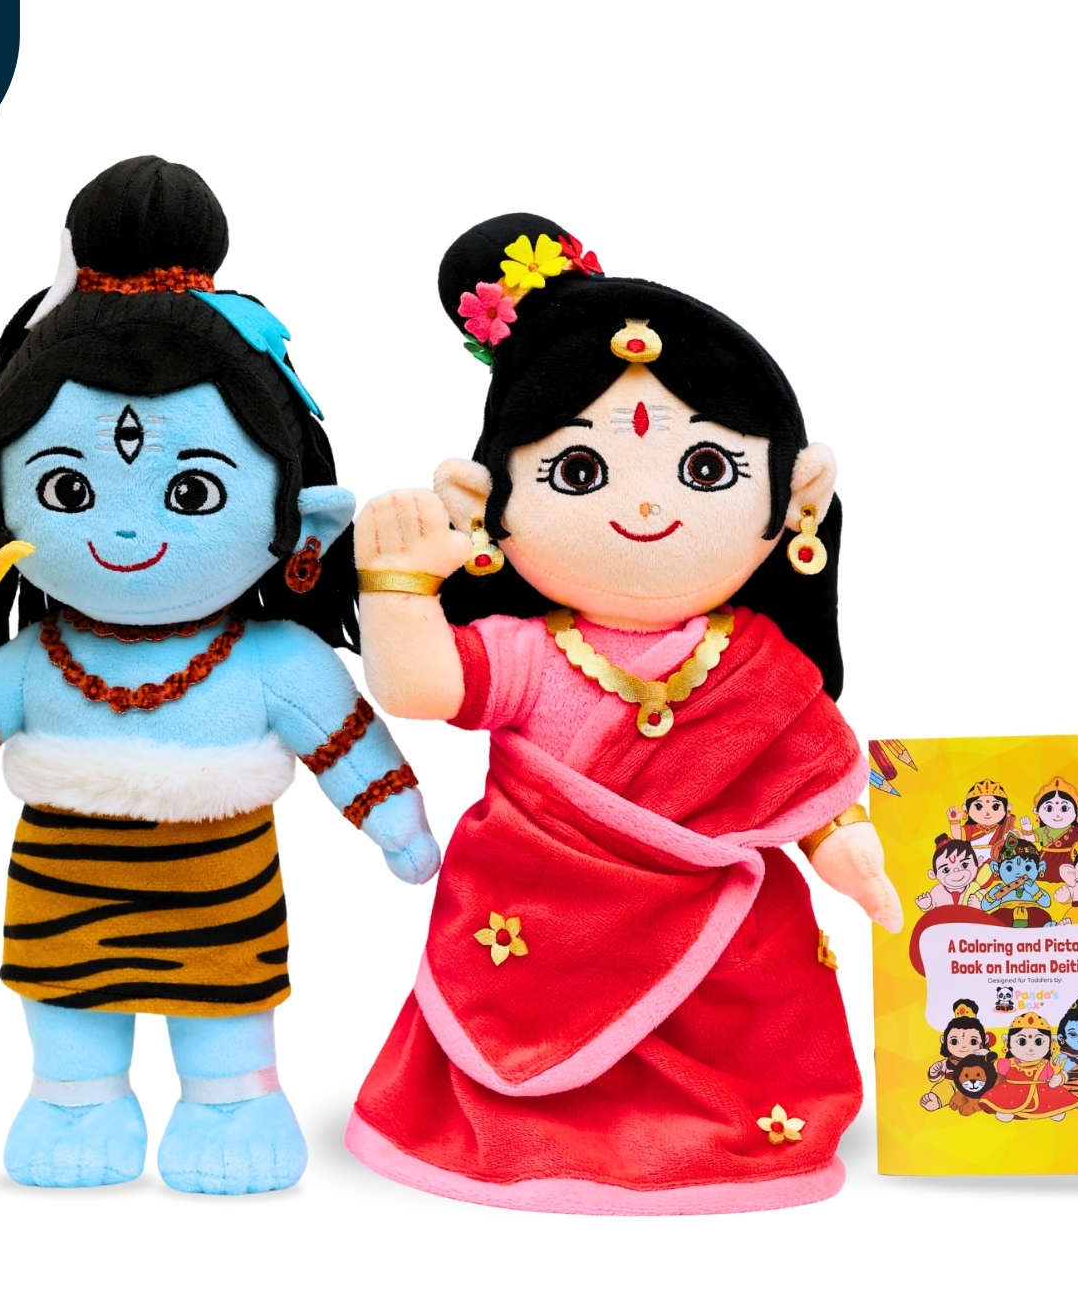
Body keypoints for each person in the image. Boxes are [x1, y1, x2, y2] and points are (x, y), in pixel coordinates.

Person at [0, 158, 440, 1193]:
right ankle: (77, 1103)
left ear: (304, 526)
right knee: (65, 1006)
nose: (125, 530)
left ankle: (233, 1103)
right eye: (69, 488)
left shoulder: (273, 660)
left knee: (226, 1006)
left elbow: (350, 747)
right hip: (61, 900)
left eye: (192, 491)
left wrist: (398, 826)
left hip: (220, 904)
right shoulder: (38, 660)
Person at [343, 213, 901, 1214]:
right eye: (579, 472)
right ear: (485, 499)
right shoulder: (532, 651)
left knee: (743, 1004)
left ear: (798, 495)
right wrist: (396, 586)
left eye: (705, 470)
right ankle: (529, 1124)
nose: (645, 509)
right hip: (537, 941)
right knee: (520, 1041)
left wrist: (843, 844)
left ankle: (726, 1126)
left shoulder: (760, 664)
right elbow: (424, 688)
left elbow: (813, 781)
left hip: (726, 958)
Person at [916, 836, 984, 910]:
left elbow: (987, 908)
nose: (956, 871)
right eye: (946, 870)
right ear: (933, 874)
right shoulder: (936, 892)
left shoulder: (975, 889)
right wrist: (927, 906)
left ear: (979, 862)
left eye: (964, 865)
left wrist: (979, 906)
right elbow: (933, 914)